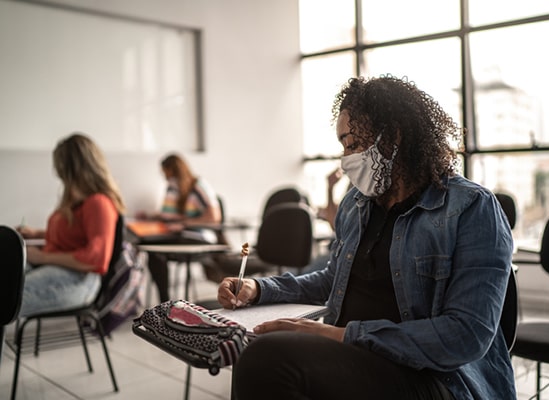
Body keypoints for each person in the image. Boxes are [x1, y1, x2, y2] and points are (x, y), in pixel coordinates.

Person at [217, 75, 516, 399]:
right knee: (255, 349)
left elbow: (466, 335)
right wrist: (260, 289)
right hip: (358, 357)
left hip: (436, 379)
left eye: (353, 144)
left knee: (268, 358)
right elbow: (333, 280)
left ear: (394, 136)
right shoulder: (357, 203)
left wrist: (342, 336)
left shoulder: (472, 208)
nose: (346, 160)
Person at [16, 133, 126, 317]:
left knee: (6, 294)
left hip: (80, 280)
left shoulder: (98, 203)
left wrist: (42, 257)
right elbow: (75, 235)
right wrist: (37, 234)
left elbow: (95, 259)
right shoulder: (76, 201)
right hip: (60, 269)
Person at [137, 153, 222, 302]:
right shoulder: (172, 187)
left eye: (166, 172)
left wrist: (185, 224)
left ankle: (165, 301)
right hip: (176, 235)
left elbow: (214, 218)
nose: (164, 177)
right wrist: (151, 216)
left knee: (154, 251)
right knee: (150, 249)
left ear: (174, 170)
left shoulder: (199, 186)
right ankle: (163, 300)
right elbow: (170, 216)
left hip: (198, 237)